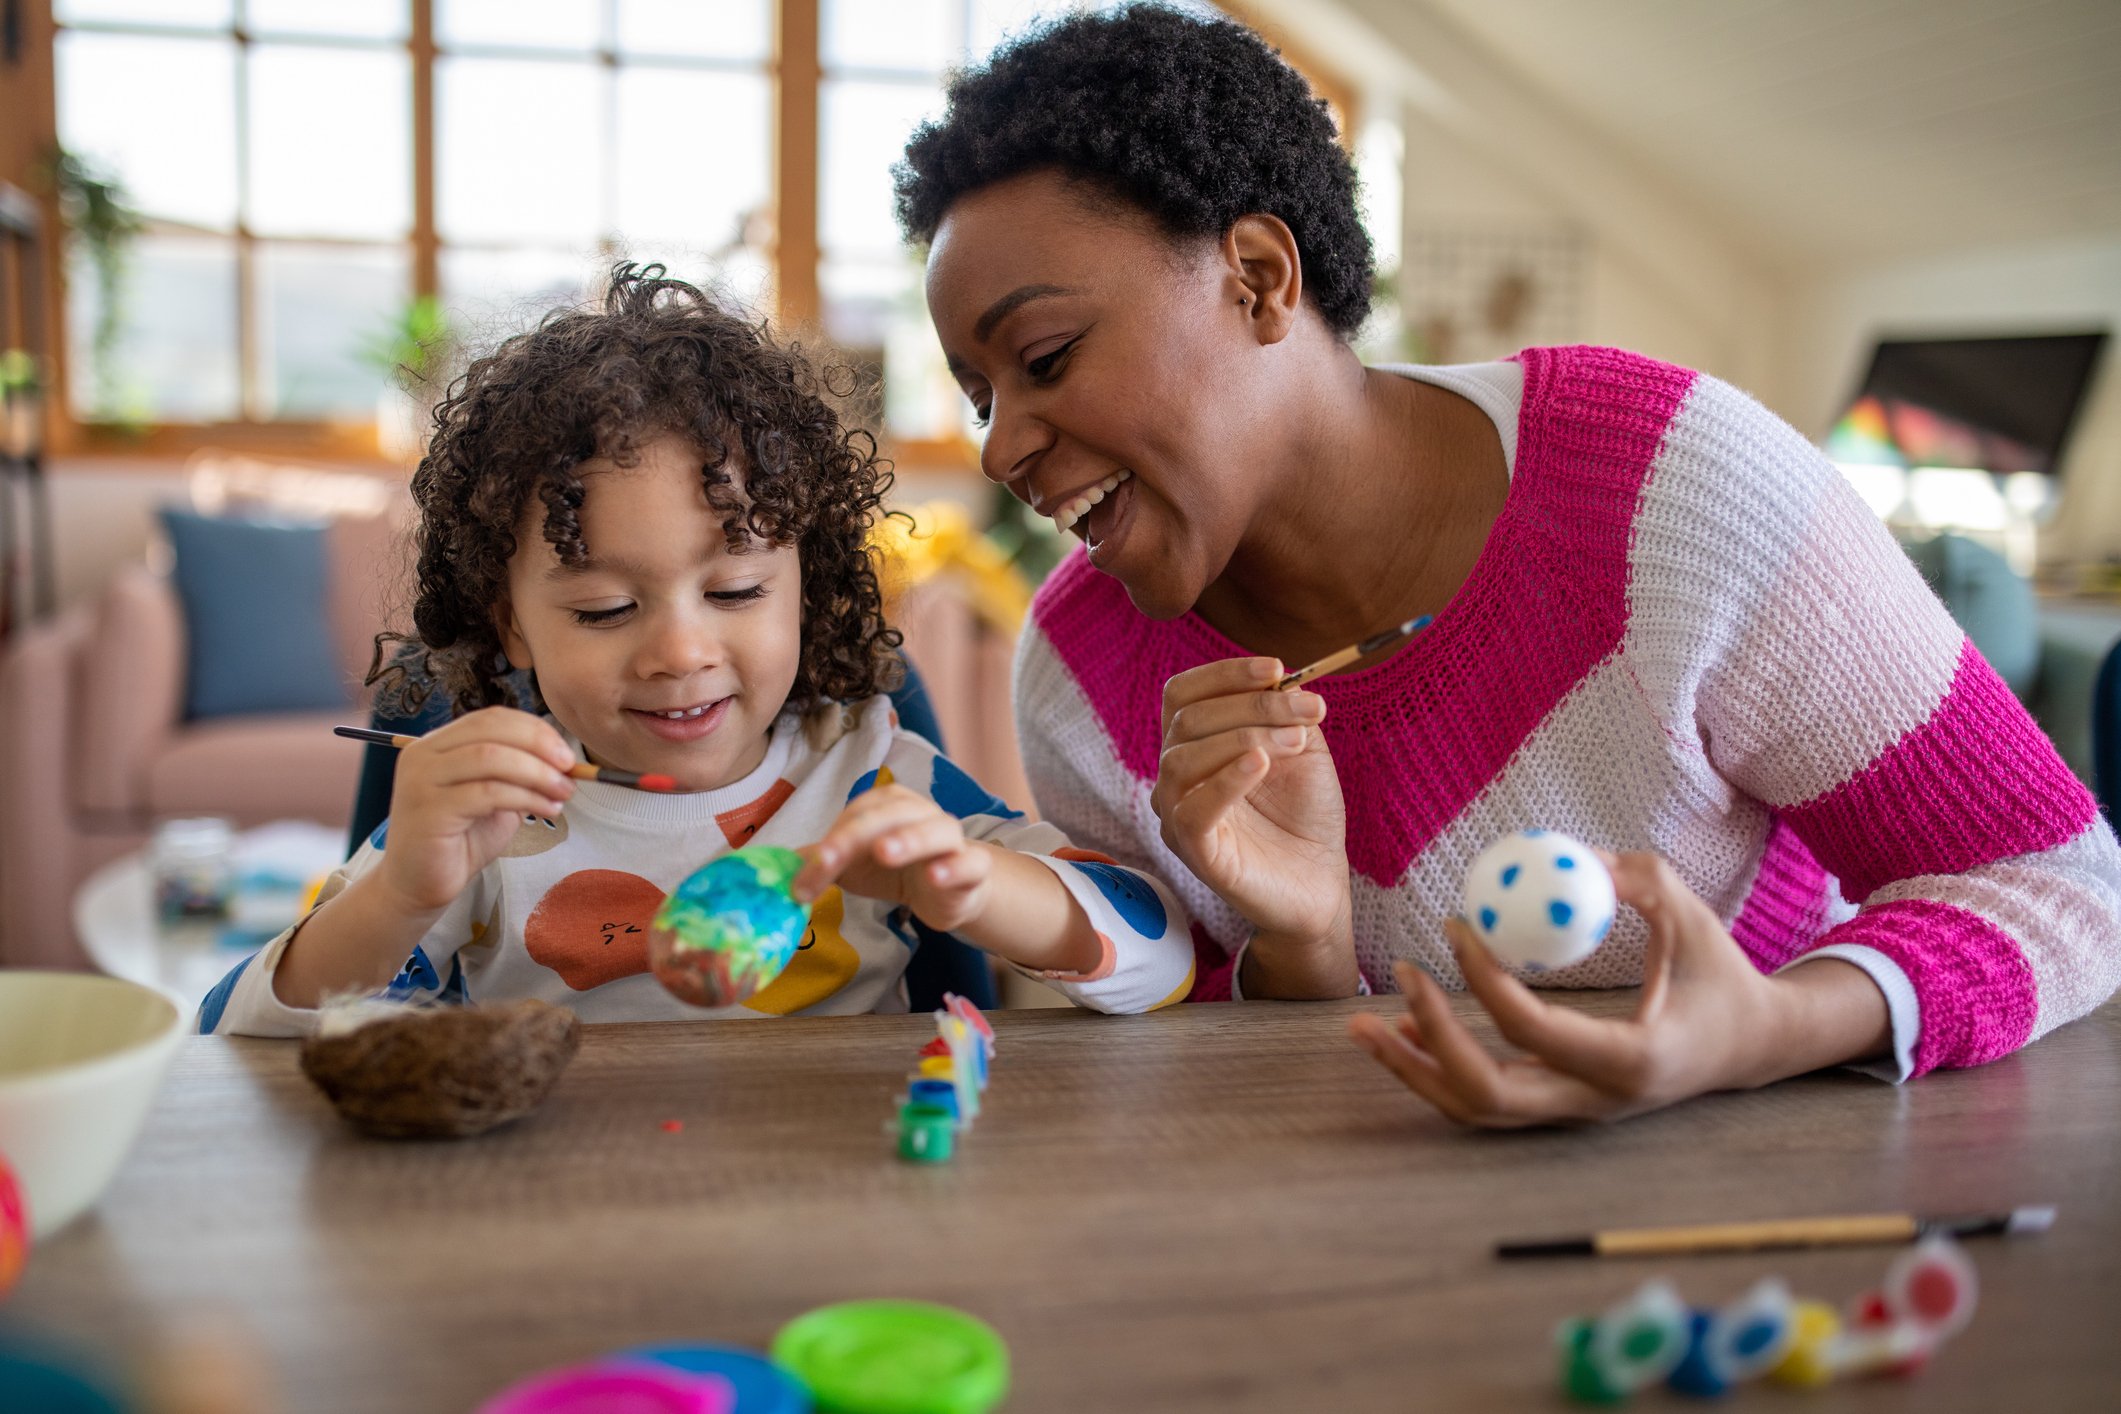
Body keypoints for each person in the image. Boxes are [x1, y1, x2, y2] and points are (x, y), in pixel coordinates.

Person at [893, 5, 2121, 1123]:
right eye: (977, 392)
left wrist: (1767, 1027)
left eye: (1044, 357)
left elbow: (2056, 879)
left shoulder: (1669, 489)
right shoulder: (1080, 675)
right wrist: (1307, 943)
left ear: (1259, 277)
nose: (1000, 446)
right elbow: (1218, 1097)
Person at [201, 266, 1195, 1037]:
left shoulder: (871, 773)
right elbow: (240, 1037)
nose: (680, 650)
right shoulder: (488, 824)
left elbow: (1160, 952)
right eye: (601, 609)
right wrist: (402, 890)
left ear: (808, 586)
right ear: (510, 623)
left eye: (735, 591)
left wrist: (983, 889)